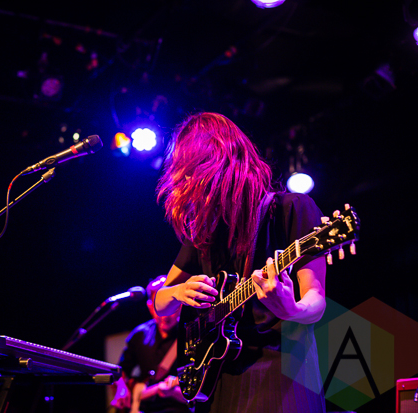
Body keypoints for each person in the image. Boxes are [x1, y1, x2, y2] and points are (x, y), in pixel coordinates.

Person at [153, 112, 327, 413]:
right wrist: (178, 292)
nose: (187, 182)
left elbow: (317, 301)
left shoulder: (290, 209)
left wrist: (293, 309)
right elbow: (160, 302)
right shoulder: (203, 232)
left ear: (219, 163)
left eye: (192, 171)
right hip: (219, 376)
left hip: (282, 369)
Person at [111, 275, 192, 413]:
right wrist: (121, 388)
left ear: (180, 305)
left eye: (171, 307)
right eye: (160, 308)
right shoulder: (140, 334)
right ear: (150, 307)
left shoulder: (190, 334)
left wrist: (174, 392)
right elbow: (120, 371)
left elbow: (199, 395)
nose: (166, 315)